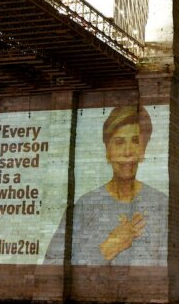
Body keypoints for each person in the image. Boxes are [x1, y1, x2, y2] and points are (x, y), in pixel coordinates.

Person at [44, 105, 167, 265]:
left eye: (136, 141)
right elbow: (50, 268)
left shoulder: (166, 207)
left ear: (143, 150)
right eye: (119, 142)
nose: (128, 151)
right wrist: (107, 248)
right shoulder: (83, 207)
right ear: (107, 151)